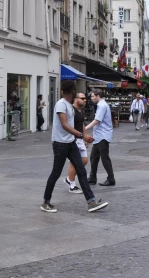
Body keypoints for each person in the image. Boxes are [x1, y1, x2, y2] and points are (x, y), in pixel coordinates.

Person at [41, 80, 107, 213]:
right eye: (75, 90)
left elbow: (75, 123)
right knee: (56, 173)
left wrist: (82, 135)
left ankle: (91, 202)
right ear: (72, 91)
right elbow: (65, 125)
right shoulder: (61, 104)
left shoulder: (70, 105)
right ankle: (46, 202)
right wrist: (82, 136)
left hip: (70, 143)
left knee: (81, 171)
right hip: (60, 144)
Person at [86, 90, 115, 186]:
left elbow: (96, 121)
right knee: (94, 157)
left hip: (103, 135)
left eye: (93, 96)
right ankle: (92, 178)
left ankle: (111, 179)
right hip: (99, 136)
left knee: (105, 158)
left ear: (98, 96)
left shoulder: (102, 106)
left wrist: (85, 129)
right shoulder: (101, 105)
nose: (91, 98)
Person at [65, 92, 89, 194]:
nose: (85, 100)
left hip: (80, 138)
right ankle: (72, 185)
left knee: (84, 161)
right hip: (74, 139)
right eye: (82, 98)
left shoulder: (80, 110)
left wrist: (85, 136)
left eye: (85, 98)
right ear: (76, 99)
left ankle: (68, 179)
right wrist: (71, 137)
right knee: (74, 163)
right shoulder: (72, 111)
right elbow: (67, 125)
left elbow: (81, 124)